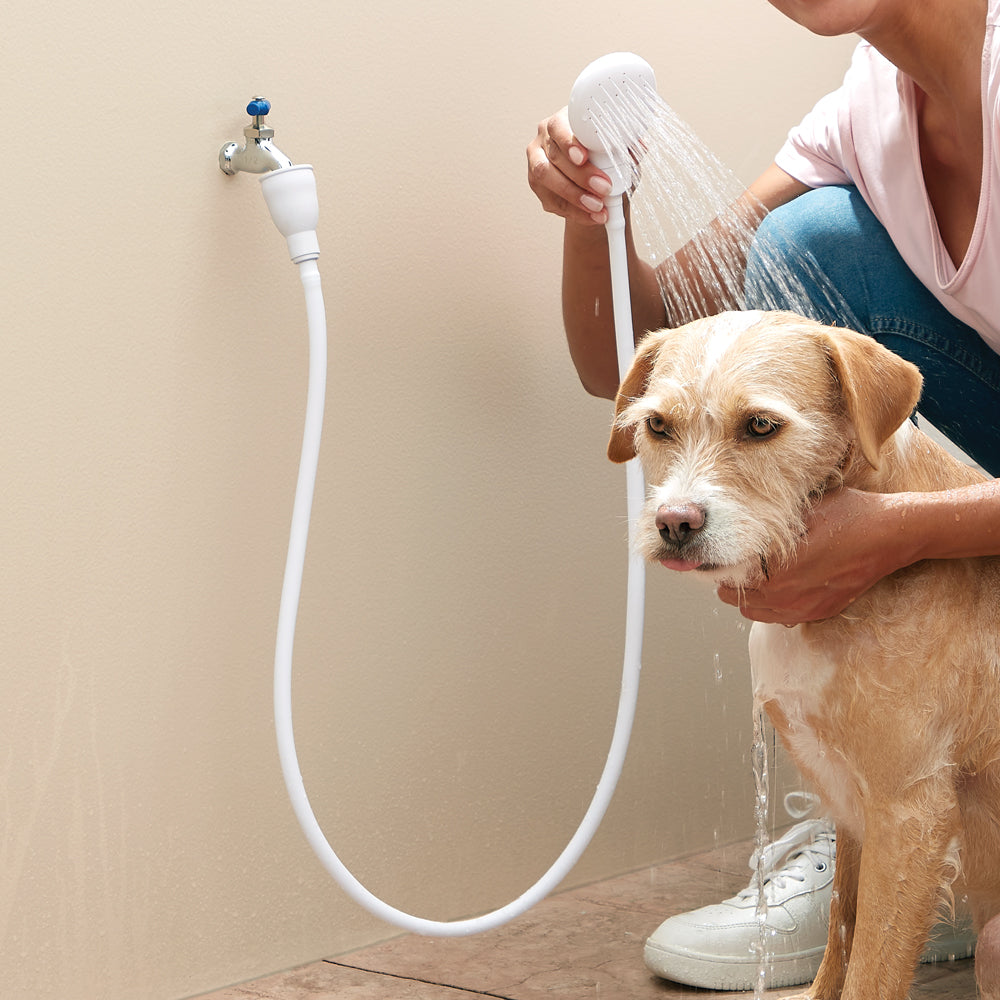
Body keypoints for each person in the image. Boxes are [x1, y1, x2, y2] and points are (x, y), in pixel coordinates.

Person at [527, 0, 1000, 991]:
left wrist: (902, 532)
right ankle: (901, 792)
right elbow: (641, 346)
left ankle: (935, 825)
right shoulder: (864, 117)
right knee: (805, 244)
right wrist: (594, 212)